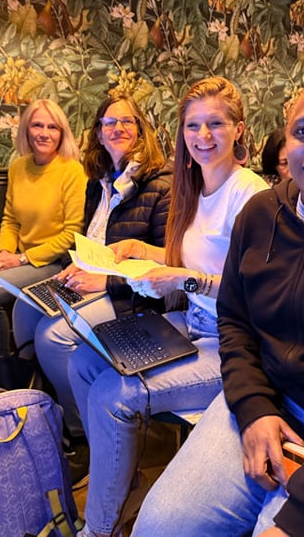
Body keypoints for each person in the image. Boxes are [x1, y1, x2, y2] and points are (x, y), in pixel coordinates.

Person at [133, 74, 304, 537]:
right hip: (269, 398)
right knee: (160, 525)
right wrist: (254, 408)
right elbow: (235, 320)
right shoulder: (261, 213)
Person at [68, 77, 268, 537]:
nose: (202, 136)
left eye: (215, 124)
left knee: (113, 394)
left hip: (233, 342)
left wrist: (182, 278)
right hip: (192, 321)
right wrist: (141, 249)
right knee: (82, 360)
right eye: (193, 125)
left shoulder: (249, 194)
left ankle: (98, 529)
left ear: (238, 129)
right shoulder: (194, 187)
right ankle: (120, 483)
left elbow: (254, 291)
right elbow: (189, 258)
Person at [11, 95, 172, 453]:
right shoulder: (97, 180)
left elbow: (168, 261)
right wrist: (77, 264)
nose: (118, 129)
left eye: (127, 121)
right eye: (109, 123)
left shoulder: (161, 183)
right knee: (23, 309)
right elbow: (91, 240)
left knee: (53, 336)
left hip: (133, 294)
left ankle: (83, 432)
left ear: (141, 129)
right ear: (98, 133)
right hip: (92, 277)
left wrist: (106, 280)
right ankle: (44, 405)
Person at [0, 98, 87, 400]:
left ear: (62, 133)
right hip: (19, 258)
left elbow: (72, 234)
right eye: (38, 125)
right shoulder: (18, 167)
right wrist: (3, 257)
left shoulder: (72, 171)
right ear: (26, 129)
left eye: (53, 127)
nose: (45, 133)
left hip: (53, 261)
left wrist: (21, 258)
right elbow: (10, 219)